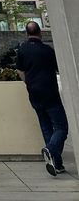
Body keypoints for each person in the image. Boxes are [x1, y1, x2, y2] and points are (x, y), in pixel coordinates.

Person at [16, 21, 69, 176]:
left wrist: (28, 82)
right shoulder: (47, 50)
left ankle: (56, 163)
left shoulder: (23, 49)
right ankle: (51, 150)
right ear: (40, 33)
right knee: (61, 127)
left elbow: (20, 70)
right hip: (50, 92)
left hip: (34, 93)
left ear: (27, 33)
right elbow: (59, 68)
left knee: (46, 127)